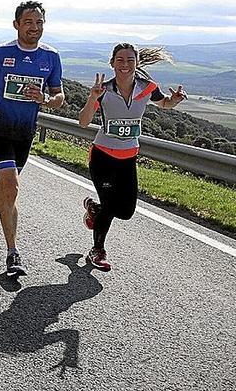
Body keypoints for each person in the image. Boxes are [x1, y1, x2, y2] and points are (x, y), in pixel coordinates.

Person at [0, 1, 65, 276]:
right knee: (12, 186)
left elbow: (59, 97)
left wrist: (45, 99)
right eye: (29, 22)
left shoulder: (51, 57)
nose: (35, 27)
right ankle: (13, 254)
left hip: (25, 132)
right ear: (17, 24)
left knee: (5, 187)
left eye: (39, 22)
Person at [78, 44, 186, 271]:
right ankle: (97, 251)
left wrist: (174, 100)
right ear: (112, 63)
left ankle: (94, 210)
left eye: (129, 60)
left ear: (137, 63)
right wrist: (92, 98)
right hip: (102, 157)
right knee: (110, 205)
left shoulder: (147, 88)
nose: (125, 65)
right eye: (120, 60)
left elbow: (164, 103)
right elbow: (84, 122)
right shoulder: (103, 89)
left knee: (125, 212)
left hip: (128, 158)